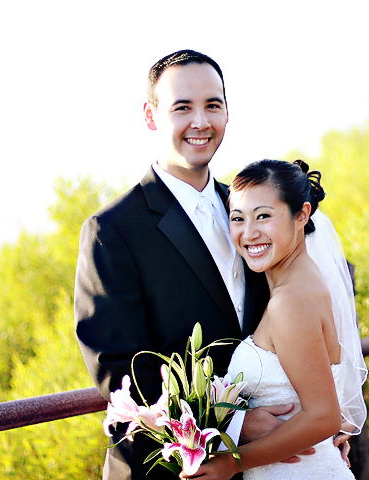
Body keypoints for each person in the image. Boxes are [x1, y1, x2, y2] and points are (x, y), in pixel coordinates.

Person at [75, 50, 276, 480]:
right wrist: (234, 428)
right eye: (182, 107)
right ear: (151, 116)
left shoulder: (252, 210)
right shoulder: (112, 230)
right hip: (168, 470)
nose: (200, 122)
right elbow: (121, 369)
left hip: (266, 461)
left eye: (213, 105)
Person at [183, 159, 368, 479]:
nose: (249, 232)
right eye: (238, 218)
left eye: (264, 216)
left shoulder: (290, 301)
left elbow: (324, 417)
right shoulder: (304, 283)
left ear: (302, 214)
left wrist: (231, 463)